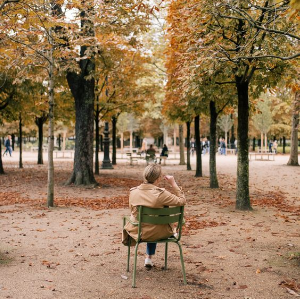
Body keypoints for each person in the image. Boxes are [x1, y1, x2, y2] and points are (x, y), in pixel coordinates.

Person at [123, 164, 186, 267]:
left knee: (148, 223)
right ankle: (171, 234)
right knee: (155, 223)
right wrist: (173, 184)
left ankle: (148, 258)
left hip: (140, 232)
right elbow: (182, 201)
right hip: (160, 232)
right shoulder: (161, 194)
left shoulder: (133, 192)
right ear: (158, 179)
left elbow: (132, 212)